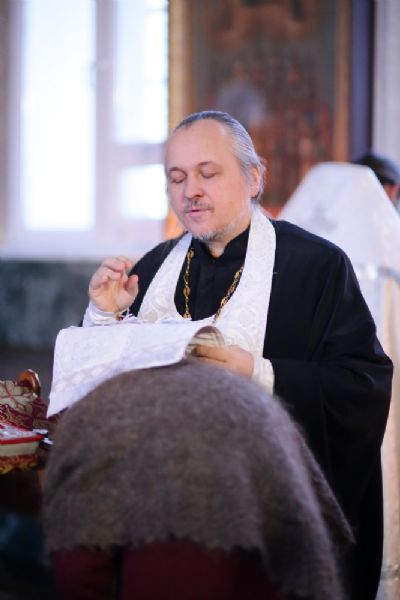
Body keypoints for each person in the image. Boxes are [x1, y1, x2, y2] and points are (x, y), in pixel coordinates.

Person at [84, 110, 392, 600]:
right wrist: (105, 316)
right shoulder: (153, 268)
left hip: (267, 528)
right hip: (163, 518)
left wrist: (258, 374)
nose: (191, 191)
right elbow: (100, 392)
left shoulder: (318, 267)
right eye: (177, 178)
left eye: (208, 173)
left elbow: (363, 386)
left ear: (253, 178)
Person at [43, 361, 352, 600]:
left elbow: (78, 572)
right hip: (285, 568)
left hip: (173, 568)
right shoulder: (246, 396)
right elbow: (324, 518)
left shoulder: (84, 423)